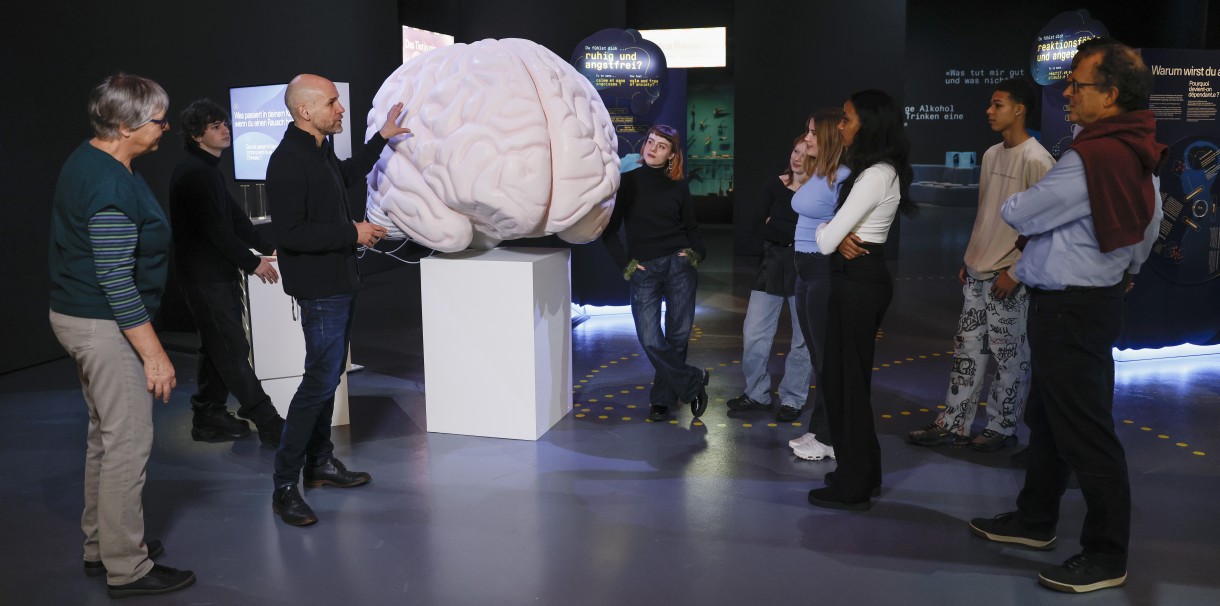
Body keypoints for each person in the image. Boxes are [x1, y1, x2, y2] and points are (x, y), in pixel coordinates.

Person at [969, 38, 1164, 594]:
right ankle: (1035, 521)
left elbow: (1017, 210)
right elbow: (1144, 235)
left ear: (1111, 94)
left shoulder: (1089, 159)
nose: (1067, 93)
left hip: (1071, 309)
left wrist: (1044, 221)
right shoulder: (1138, 151)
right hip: (1089, 303)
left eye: (1077, 85)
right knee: (1051, 422)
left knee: (1085, 433)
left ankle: (1106, 555)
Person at [48, 74, 195, 598]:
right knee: (129, 443)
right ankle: (127, 569)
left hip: (80, 317)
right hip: (103, 324)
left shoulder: (96, 160)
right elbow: (114, 278)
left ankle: (102, 546)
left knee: (105, 438)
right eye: (158, 120)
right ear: (126, 125)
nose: (165, 128)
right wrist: (154, 355)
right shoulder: (109, 184)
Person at [266, 74, 410, 526]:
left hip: (339, 281)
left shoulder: (318, 150)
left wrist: (381, 137)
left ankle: (321, 464)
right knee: (317, 384)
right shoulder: (287, 160)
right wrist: (353, 231)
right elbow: (290, 234)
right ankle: (285, 483)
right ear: (305, 111)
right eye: (332, 103)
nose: (340, 109)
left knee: (328, 380)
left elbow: (346, 175)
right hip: (321, 289)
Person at [908, 78, 1054, 452]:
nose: (989, 111)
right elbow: (987, 213)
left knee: (1010, 357)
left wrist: (1015, 271)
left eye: (997, 104)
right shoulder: (991, 155)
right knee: (967, 352)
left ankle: (1002, 428)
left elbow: (1043, 228)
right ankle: (955, 422)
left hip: (1009, 277)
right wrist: (971, 254)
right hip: (978, 270)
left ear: (1019, 109)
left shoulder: (1037, 159)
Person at [806, 90, 915, 511]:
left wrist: (830, 231)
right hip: (861, 280)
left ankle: (853, 485)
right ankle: (862, 473)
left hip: (857, 283)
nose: (842, 126)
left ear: (867, 125)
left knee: (844, 385)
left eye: (848, 119)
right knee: (849, 384)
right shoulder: (879, 171)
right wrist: (835, 234)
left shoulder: (873, 175)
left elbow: (827, 240)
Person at [170, 99, 286, 446]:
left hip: (213, 274)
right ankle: (267, 420)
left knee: (217, 345)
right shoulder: (194, 173)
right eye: (216, 125)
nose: (226, 130)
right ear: (195, 134)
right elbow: (215, 230)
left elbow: (235, 219)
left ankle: (209, 415)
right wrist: (253, 262)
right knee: (231, 348)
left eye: (226, 123)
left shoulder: (206, 170)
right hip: (204, 277)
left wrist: (266, 247)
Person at [602, 124, 710, 423]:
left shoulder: (678, 185)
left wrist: (695, 254)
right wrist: (626, 263)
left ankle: (662, 398)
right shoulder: (628, 183)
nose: (652, 148)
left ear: (672, 155)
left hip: (679, 265)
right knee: (650, 338)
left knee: (678, 336)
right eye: (650, 142)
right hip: (645, 269)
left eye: (661, 146)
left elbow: (692, 228)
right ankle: (692, 380)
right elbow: (608, 231)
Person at [725, 135, 812, 422]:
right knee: (754, 335)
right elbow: (755, 225)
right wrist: (790, 229)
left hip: (805, 268)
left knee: (803, 341)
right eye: (794, 150)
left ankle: (793, 399)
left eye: (803, 152)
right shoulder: (774, 184)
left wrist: (775, 224)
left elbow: (812, 231)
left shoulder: (818, 191)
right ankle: (757, 393)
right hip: (772, 266)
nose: (796, 157)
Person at [788, 109, 851, 462]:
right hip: (805, 270)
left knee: (827, 359)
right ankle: (819, 428)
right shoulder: (818, 173)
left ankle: (830, 437)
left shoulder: (842, 177)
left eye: (813, 133)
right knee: (817, 356)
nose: (807, 138)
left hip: (822, 269)